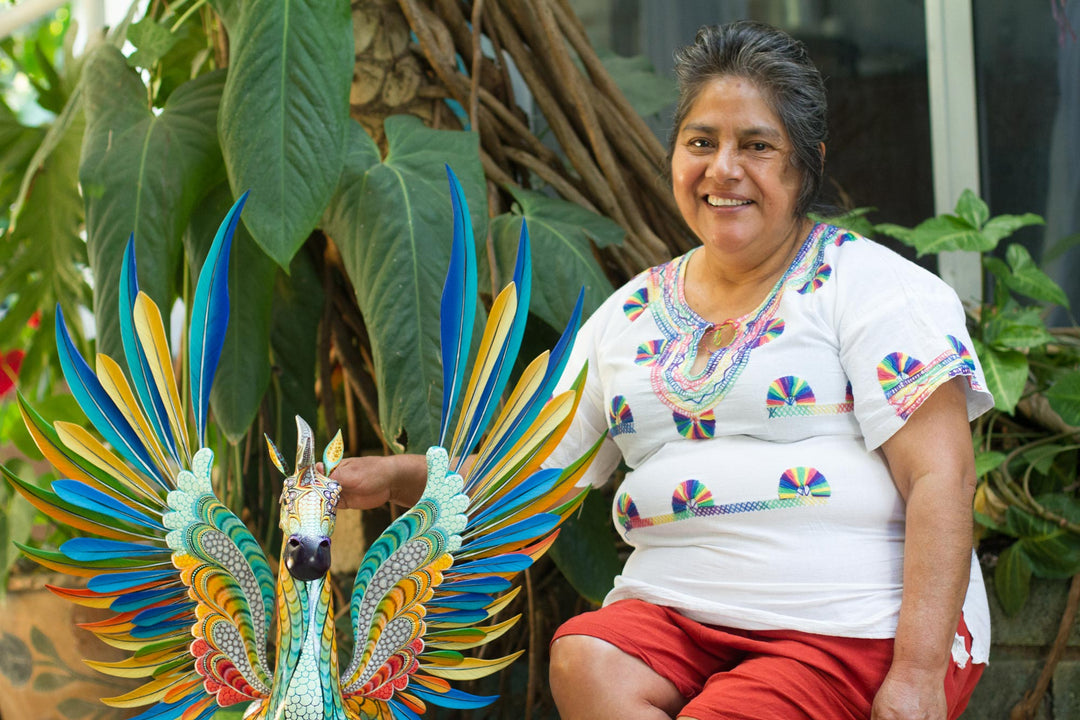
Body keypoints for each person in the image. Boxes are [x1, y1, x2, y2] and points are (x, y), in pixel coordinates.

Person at [331, 20, 993, 720]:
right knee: (588, 658)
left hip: (850, 628)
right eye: (701, 142)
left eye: (757, 146)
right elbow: (526, 475)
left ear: (807, 165)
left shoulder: (872, 288)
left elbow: (940, 477)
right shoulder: (632, 314)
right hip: (681, 618)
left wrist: (918, 675)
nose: (723, 169)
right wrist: (395, 476)